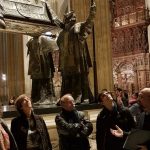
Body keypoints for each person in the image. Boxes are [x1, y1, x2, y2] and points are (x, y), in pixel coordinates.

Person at [57, 1, 96, 104]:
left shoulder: (77, 27)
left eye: (74, 17)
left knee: (79, 78)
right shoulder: (62, 34)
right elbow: (59, 45)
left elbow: (88, 23)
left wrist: (92, 12)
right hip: (66, 61)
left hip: (77, 59)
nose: (74, 19)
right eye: (71, 17)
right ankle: (65, 98)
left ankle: (80, 97)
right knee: (67, 81)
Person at [27, 35, 55, 104]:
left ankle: (47, 98)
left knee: (45, 81)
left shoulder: (44, 38)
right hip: (35, 65)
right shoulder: (30, 41)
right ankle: (37, 98)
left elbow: (52, 50)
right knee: (36, 82)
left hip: (44, 64)